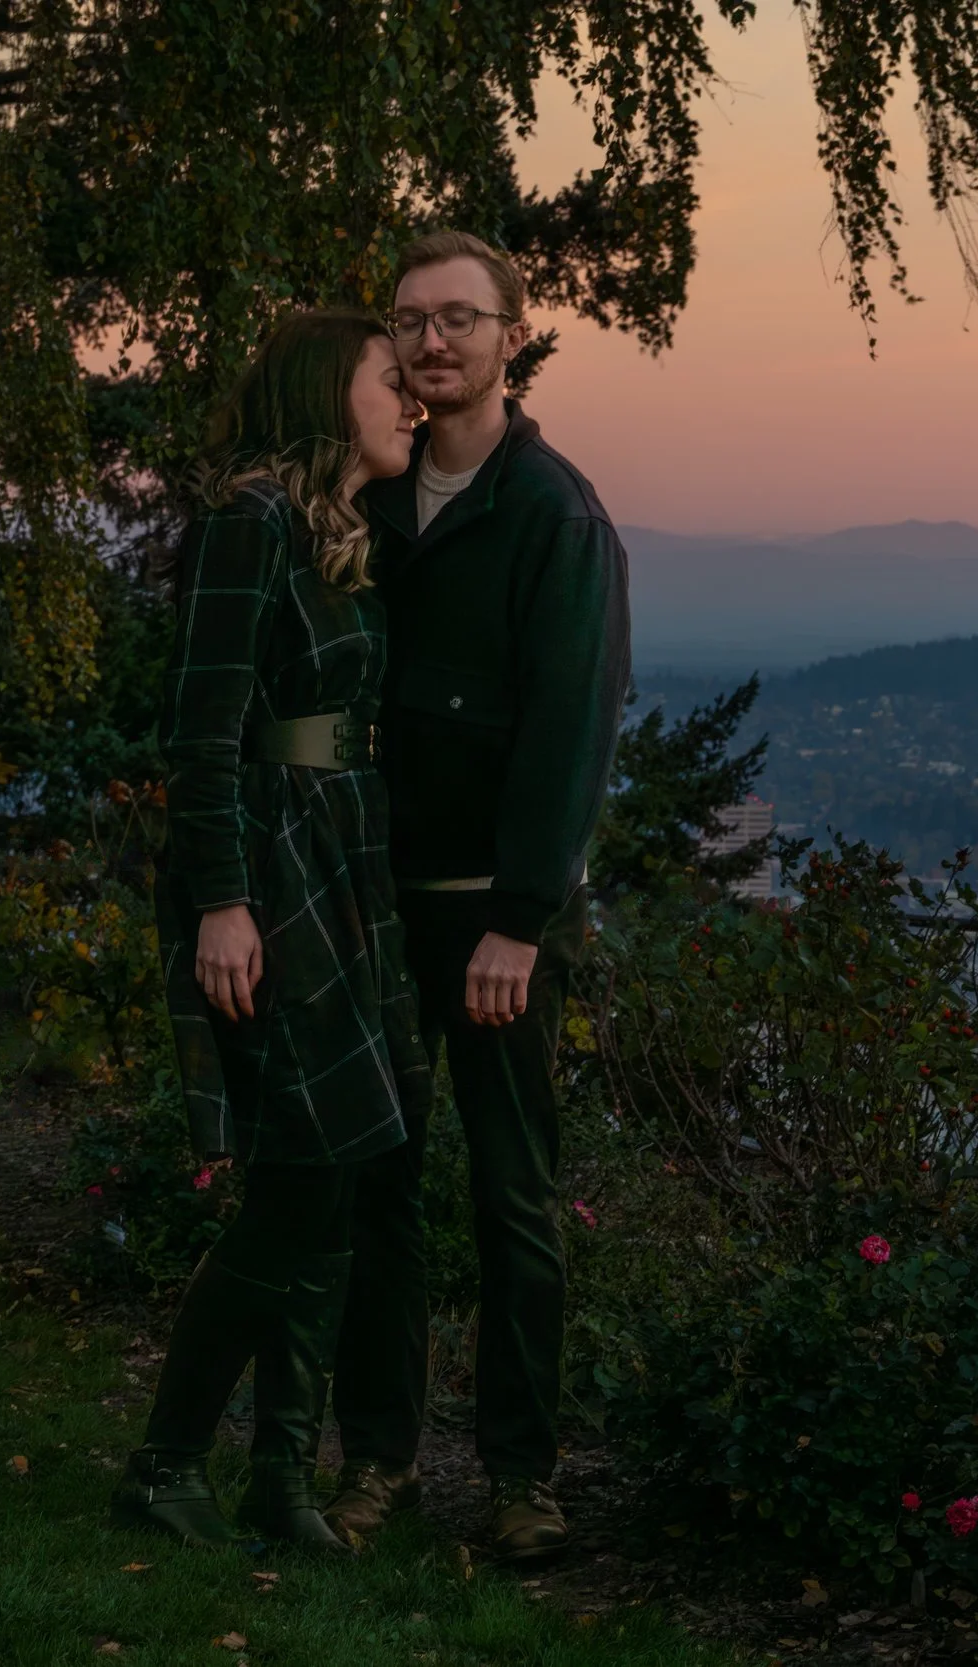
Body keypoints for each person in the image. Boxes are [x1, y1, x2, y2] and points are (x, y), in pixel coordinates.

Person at [323, 231, 630, 1563]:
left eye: (461, 317)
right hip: (371, 906)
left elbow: (570, 726)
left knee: (511, 1196)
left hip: (492, 919)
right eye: (410, 320)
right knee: (376, 1190)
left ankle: (521, 1475)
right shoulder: (364, 505)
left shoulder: (553, 513)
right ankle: (377, 1458)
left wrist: (520, 914)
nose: (433, 340)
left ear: (516, 333)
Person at [113, 310, 431, 1550]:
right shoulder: (248, 521)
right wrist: (224, 901)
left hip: (344, 860)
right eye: (387, 381)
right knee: (300, 1177)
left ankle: (281, 1482)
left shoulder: (329, 534)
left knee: (336, 1173)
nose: (408, 399)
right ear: (323, 393)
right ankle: (164, 1461)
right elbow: (201, 731)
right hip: (274, 869)